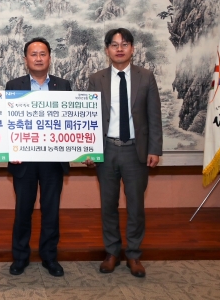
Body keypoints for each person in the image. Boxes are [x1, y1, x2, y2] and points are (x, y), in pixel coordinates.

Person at [84, 27, 162, 278]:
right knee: (108, 204)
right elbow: (89, 118)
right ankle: (112, 252)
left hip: (135, 151)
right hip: (106, 150)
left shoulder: (145, 77)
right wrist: (89, 150)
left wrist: (154, 149)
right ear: (107, 50)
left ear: (132, 49)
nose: (119, 49)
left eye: (124, 44)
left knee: (136, 206)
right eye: (114, 45)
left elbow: (154, 116)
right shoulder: (96, 79)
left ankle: (134, 254)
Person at [5, 37, 71, 277]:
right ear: (25, 59)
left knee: (51, 211)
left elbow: (71, 121)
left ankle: (49, 257)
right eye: (33, 54)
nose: (38, 58)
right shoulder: (14, 85)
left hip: (53, 160)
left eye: (43, 54)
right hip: (24, 161)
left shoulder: (63, 86)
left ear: (50, 58)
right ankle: (20, 257)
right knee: (23, 211)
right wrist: (11, 150)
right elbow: (7, 122)